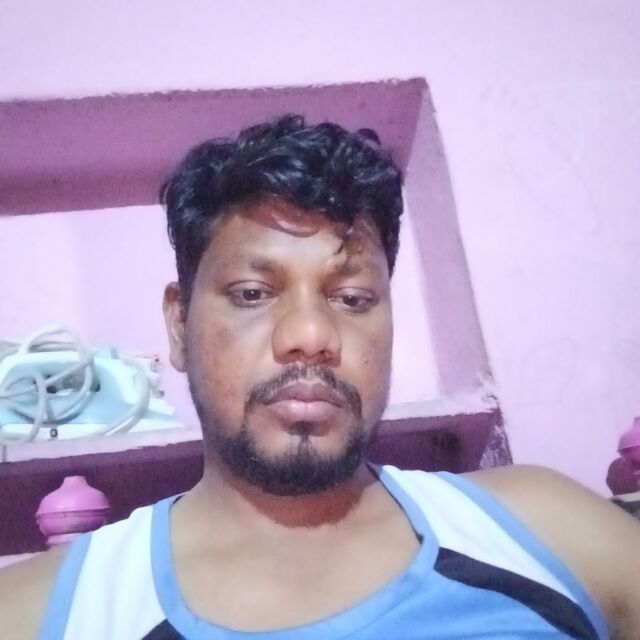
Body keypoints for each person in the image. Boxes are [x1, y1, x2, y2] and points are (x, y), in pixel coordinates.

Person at [1, 115, 639, 640]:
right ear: (178, 324)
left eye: (353, 298)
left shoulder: (549, 535)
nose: (310, 334)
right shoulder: (44, 614)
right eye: (252, 293)